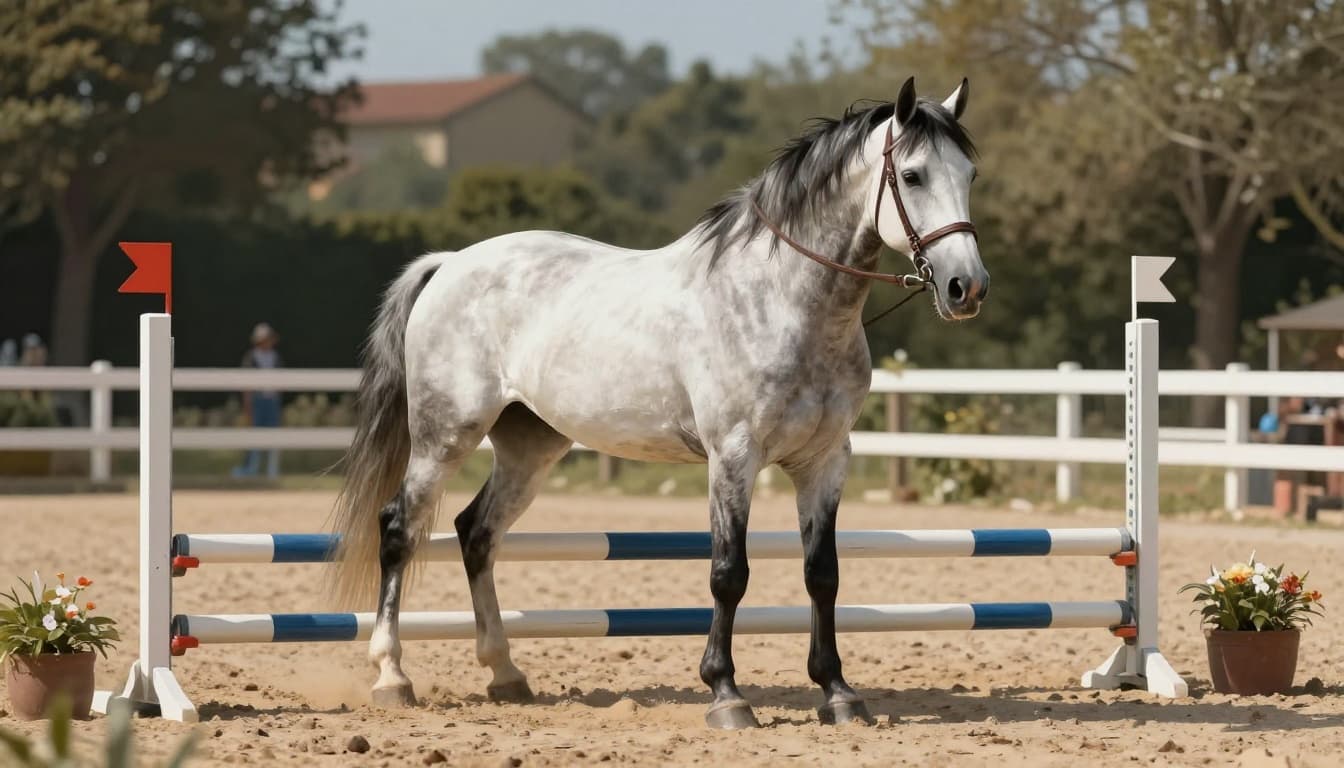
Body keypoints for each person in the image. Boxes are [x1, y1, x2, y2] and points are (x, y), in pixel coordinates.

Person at [232, 323, 283, 478]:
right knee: (254, 435)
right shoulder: (251, 357)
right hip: (257, 401)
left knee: (274, 435)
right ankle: (251, 469)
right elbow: (246, 384)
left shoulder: (275, 357)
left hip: (272, 401)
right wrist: (247, 404)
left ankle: (272, 471)